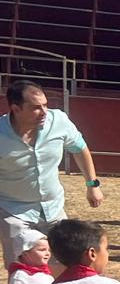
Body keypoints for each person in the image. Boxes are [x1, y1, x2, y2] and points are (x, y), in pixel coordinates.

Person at [0, 80, 105, 266]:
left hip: (53, 209)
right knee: (24, 273)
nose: (44, 112)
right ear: (16, 109)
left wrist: (92, 185)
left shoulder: (58, 121)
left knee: (66, 265)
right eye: (35, 108)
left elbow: (80, 148)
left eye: (45, 105)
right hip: (14, 212)